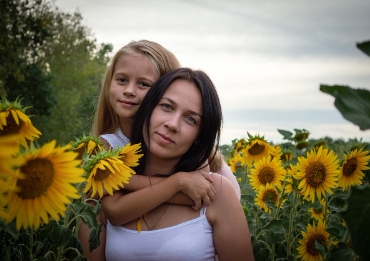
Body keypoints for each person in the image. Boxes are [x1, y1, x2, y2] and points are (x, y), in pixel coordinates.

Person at [103, 68, 254, 260]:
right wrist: (178, 182)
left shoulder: (216, 191)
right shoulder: (109, 178)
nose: (173, 124)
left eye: (190, 119)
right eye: (167, 107)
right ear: (148, 108)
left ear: (200, 136)